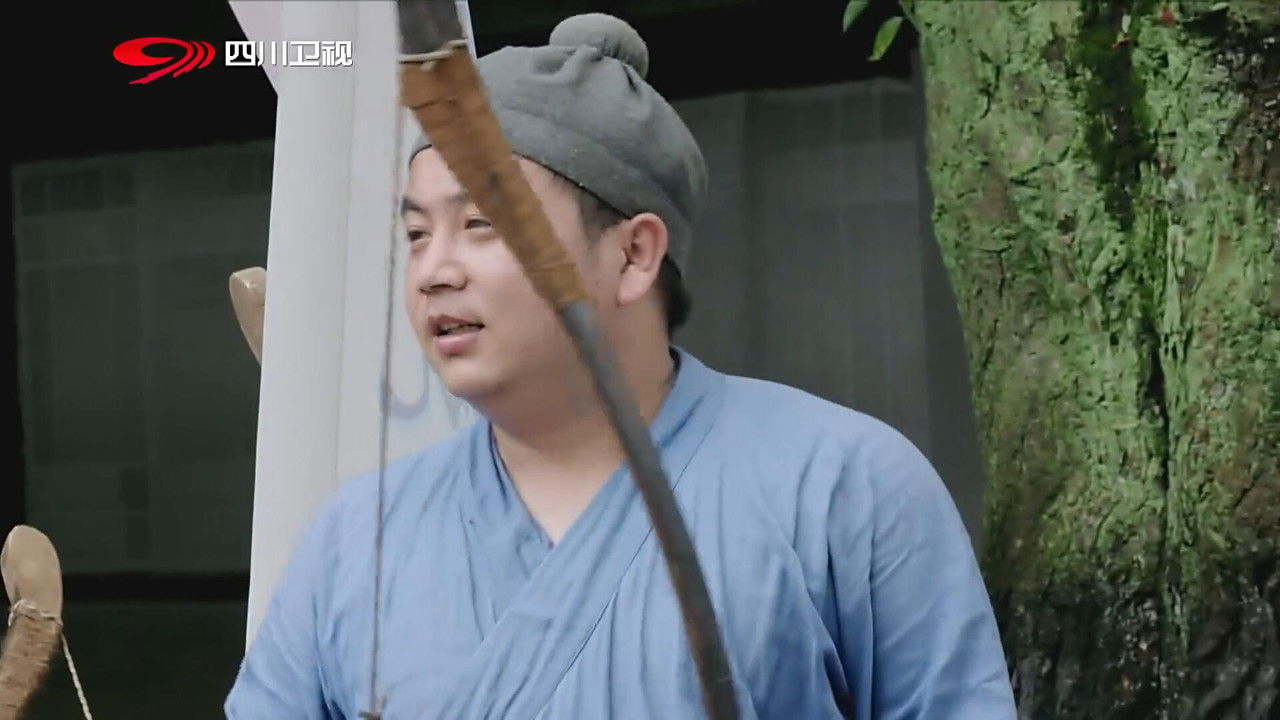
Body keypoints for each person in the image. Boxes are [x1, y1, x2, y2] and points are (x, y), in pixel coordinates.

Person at [224, 13, 1017, 719]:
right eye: (418, 235)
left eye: (482, 223)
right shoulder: (357, 538)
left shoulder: (846, 490)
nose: (434, 270)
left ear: (635, 255)